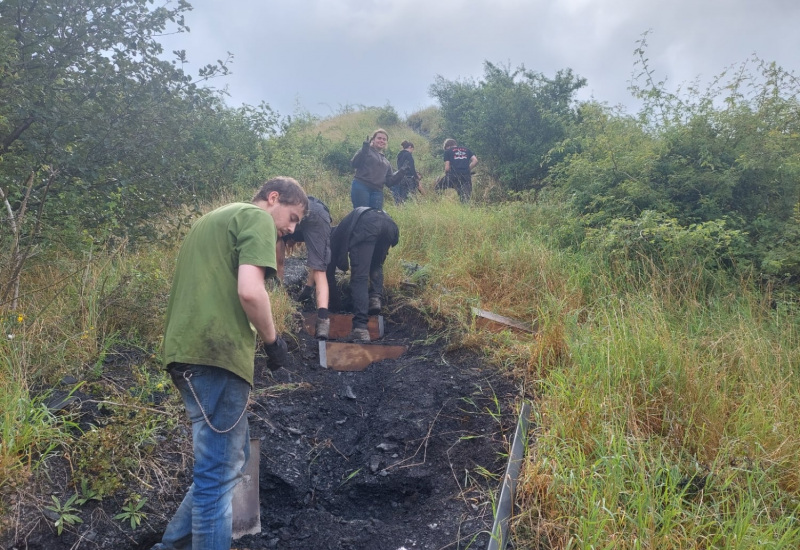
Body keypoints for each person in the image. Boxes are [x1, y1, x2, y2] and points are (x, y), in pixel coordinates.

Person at [154, 177, 308, 550]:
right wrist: (273, 342)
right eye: (292, 217)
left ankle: (169, 546)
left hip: (187, 353)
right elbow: (250, 291)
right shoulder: (256, 219)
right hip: (217, 357)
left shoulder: (213, 219)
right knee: (217, 481)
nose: (290, 228)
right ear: (273, 199)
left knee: (226, 463)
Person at [326, 207, 399, 343]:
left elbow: (328, 275)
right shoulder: (343, 227)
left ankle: (360, 328)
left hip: (368, 225)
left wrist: (335, 306)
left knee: (359, 277)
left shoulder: (332, 238)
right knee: (376, 265)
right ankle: (375, 298)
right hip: (389, 224)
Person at [275, 195, 333, 339]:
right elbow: (316, 263)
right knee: (320, 270)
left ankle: (278, 297)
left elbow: (279, 265)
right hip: (318, 212)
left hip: (299, 210)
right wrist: (307, 289)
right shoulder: (308, 212)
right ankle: (323, 324)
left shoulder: (284, 218)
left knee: (279, 264)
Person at [350, 128, 403, 210]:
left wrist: (401, 172)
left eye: (384, 139)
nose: (382, 140)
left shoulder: (386, 162)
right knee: (361, 215)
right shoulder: (366, 151)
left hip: (377, 191)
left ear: (386, 143)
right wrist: (364, 150)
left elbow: (389, 182)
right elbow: (355, 164)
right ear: (373, 140)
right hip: (361, 186)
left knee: (375, 217)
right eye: (379, 138)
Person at [437, 138, 478, 202]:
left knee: (438, 188)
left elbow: (447, 168)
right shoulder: (467, 150)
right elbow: (475, 161)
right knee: (465, 198)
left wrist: (446, 174)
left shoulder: (448, 151)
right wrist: (467, 169)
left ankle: (437, 203)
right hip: (466, 176)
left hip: (452, 176)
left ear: (447, 146)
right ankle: (464, 208)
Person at [392, 140, 424, 205]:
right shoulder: (408, 154)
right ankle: (416, 206)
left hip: (401, 178)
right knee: (413, 195)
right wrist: (416, 177)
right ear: (410, 147)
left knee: (403, 196)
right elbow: (412, 167)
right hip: (409, 178)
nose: (412, 151)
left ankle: (401, 207)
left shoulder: (399, 155)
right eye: (412, 149)